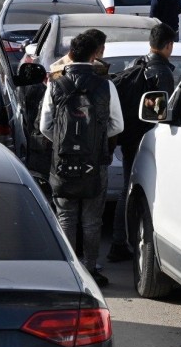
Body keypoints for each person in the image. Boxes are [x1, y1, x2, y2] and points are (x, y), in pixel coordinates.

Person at [39, 32, 124, 287]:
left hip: (63, 162)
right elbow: (117, 125)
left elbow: (45, 125)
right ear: (96, 52)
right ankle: (90, 271)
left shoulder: (56, 82)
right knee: (92, 219)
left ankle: (68, 271)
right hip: (95, 162)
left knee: (66, 215)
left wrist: (66, 143)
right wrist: (93, 141)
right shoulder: (105, 84)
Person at [107, 23, 177, 262]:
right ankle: (122, 242)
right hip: (147, 142)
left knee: (127, 189)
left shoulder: (138, 64)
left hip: (129, 139)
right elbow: (164, 116)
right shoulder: (163, 74)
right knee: (139, 193)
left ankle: (119, 241)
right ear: (168, 46)